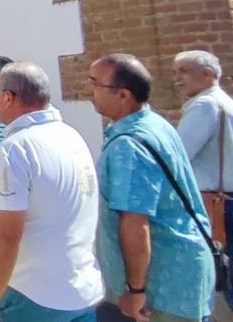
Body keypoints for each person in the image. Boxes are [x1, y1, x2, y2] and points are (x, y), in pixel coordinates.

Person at [91, 53, 213, 322]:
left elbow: (135, 221)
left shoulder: (129, 145)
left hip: (163, 281)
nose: (91, 92)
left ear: (123, 95)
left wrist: (136, 289)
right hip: (182, 271)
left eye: (95, 84)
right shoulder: (154, 124)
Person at [0, 62, 102, 321]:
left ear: (8, 97)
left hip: (32, 293)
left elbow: (6, 236)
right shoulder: (71, 136)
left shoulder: (14, 150)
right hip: (78, 288)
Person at [174, 50, 233, 306]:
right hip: (225, 202)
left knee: (225, 276)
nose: (177, 79)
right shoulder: (224, 102)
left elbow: (177, 156)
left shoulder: (204, 105)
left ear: (207, 74)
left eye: (183, 71)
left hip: (217, 206)